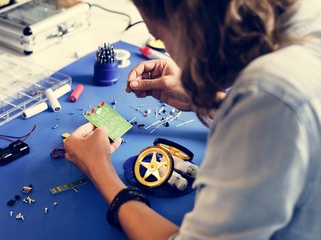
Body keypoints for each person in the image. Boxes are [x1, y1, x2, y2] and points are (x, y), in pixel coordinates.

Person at [64, 0, 321, 239]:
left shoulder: (269, 98)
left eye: (162, 37)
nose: (172, 54)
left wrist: (99, 169)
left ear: (192, 22)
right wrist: (208, 100)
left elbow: (275, 109)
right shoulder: (306, 24)